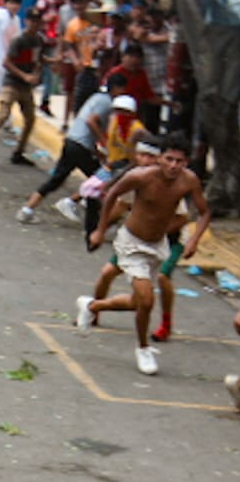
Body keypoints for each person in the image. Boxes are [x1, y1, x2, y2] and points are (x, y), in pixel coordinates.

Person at [80, 133, 211, 376]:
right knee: (148, 301)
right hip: (131, 243)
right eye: (169, 159)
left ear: (186, 163)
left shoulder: (189, 181)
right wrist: (99, 231)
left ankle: (92, 305)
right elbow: (110, 195)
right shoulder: (141, 177)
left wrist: (193, 239)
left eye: (179, 162)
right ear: (160, 158)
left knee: (138, 301)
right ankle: (143, 348)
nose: (173, 166)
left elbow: (204, 212)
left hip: (158, 244)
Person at [18, 74, 126, 223]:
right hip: (80, 146)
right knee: (98, 181)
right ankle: (92, 218)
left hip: (73, 141)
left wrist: (97, 152)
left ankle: (28, 209)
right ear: (116, 88)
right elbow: (91, 122)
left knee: (57, 179)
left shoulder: (97, 98)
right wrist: (105, 143)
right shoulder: (106, 102)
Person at [0, 9, 43, 166]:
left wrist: (37, 72)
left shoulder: (39, 40)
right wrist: (24, 75)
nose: (34, 25)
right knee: (2, 115)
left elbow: (38, 59)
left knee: (30, 119)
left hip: (26, 86)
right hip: (12, 82)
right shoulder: (18, 40)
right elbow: (7, 62)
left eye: (37, 21)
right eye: (32, 21)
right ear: (27, 22)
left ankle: (19, 151)